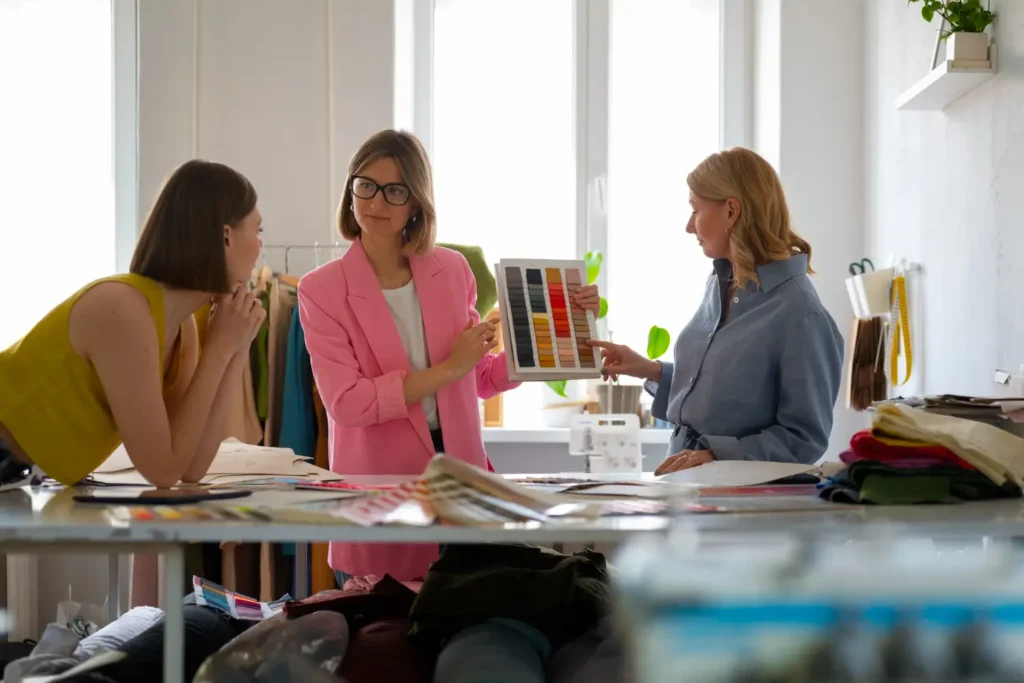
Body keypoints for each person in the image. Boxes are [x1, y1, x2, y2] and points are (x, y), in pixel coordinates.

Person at [298, 129, 599, 584]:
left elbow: (479, 379)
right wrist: (449, 369)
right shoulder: (320, 289)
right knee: (391, 645)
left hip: (463, 484)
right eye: (365, 185)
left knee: (469, 630)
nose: (376, 201)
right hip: (384, 491)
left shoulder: (452, 270)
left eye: (394, 190)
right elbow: (349, 403)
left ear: (416, 203)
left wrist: (559, 327)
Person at [0, 160, 266, 491]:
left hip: (19, 473)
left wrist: (237, 347)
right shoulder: (122, 309)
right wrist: (221, 348)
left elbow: (192, 466)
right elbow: (163, 471)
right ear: (225, 236)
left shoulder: (183, 330)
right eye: (257, 230)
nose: (260, 246)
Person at [590, 147, 843, 475]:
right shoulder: (722, 282)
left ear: (731, 211)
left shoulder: (801, 314)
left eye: (695, 210)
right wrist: (650, 370)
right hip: (686, 485)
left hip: (739, 501)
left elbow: (804, 439)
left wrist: (716, 456)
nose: (688, 226)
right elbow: (723, 392)